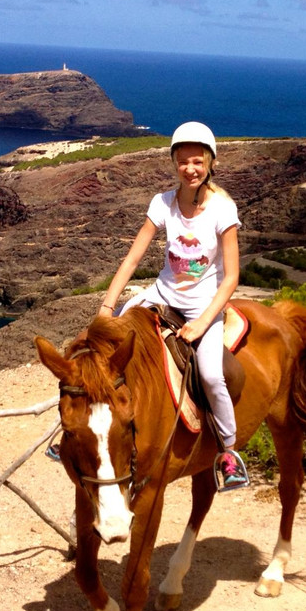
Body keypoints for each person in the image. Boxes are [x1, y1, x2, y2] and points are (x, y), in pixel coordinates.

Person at [98, 121, 249, 491]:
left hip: (203, 307)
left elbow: (231, 277)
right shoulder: (162, 203)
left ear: (210, 162)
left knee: (212, 375)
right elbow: (133, 258)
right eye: (183, 162)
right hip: (161, 295)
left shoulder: (222, 209)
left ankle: (228, 453)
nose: (190, 169)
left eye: (197, 162)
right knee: (103, 350)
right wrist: (107, 306)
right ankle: (84, 431)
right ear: (174, 164)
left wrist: (201, 324)